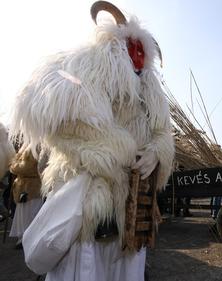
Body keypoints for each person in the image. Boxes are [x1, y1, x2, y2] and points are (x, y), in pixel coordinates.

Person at [9, 1, 174, 281]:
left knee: (124, 268)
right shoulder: (88, 66)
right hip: (87, 203)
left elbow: (162, 132)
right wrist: (115, 151)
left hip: (130, 210)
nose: (135, 58)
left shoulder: (151, 90)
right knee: (84, 266)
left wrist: (156, 153)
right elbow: (49, 110)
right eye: (129, 49)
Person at [9, 146, 43, 248]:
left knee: (30, 213)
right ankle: (24, 237)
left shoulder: (36, 148)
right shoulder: (27, 147)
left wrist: (13, 166)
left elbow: (26, 168)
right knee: (24, 213)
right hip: (24, 186)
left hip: (31, 187)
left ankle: (27, 238)